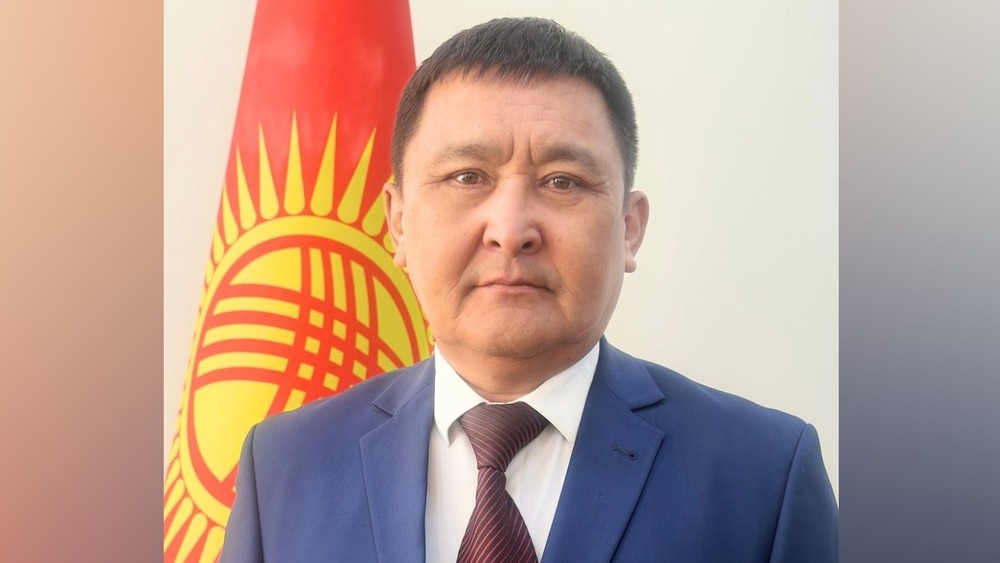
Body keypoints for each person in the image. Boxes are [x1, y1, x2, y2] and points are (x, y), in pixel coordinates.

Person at [220, 17, 837, 563]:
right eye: (467, 177)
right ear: (399, 223)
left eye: (562, 181)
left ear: (629, 228)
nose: (511, 231)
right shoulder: (284, 465)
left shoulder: (764, 477)